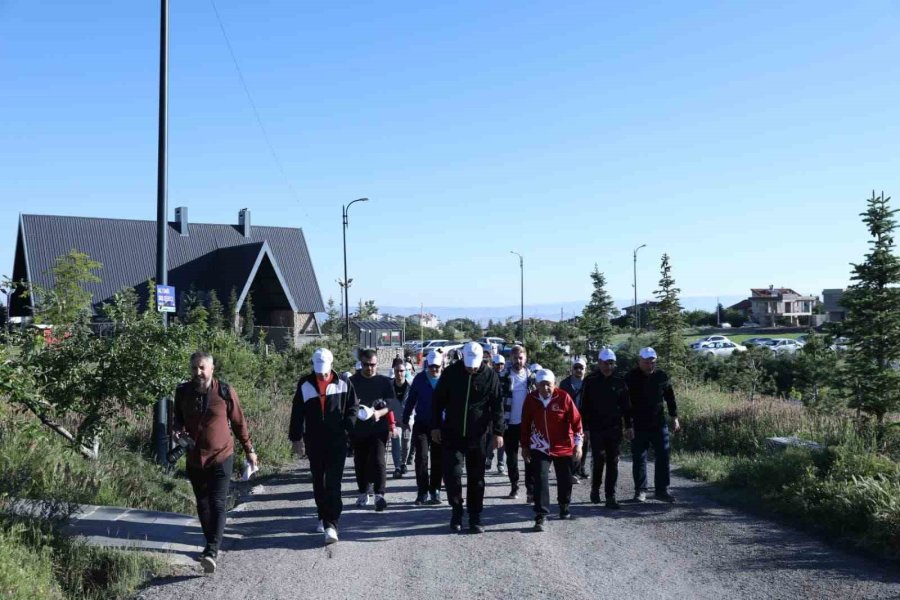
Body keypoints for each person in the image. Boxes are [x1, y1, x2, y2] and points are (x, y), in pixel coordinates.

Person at [172, 351, 258, 573]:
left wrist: (249, 450)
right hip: (194, 458)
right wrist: (177, 433)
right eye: (194, 368)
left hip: (222, 455)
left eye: (201, 368)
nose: (197, 372)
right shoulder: (182, 392)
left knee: (218, 502)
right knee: (202, 503)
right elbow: (177, 421)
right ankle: (211, 543)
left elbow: (239, 423)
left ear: (211, 369)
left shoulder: (225, 392)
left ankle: (211, 550)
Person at [432, 341, 504, 533]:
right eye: (468, 365)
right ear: (463, 358)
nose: (471, 369)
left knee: (476, 478)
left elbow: (497, 405)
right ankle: (456, 511)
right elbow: (438, 401)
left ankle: (475, 517)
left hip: (478, 435)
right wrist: (436, 427)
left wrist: (498, 432)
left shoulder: (490, 376)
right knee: (452, 475)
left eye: (475, 365)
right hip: (452, 433)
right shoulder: (451, 373)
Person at [289, 348, 358, 545]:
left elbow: (353, 407)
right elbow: (297, 412)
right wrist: (296, 439)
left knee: (333, 483)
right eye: (319, 371)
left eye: (325, 371)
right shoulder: (305, 384)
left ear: (331, 366)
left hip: (337, 440)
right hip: (314, 440)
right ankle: (322, 515)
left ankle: (332, 524)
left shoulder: (344, 383)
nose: (322, 374)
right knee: (319, 481)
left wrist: (349, 426)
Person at [520, 369, 583, 531]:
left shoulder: (563, 397)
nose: (546, 388)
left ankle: (564, 504)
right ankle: (541, 514)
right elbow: (525, 424)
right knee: (540, 477)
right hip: (540, 445)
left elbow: (577, 422)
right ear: (536, 386)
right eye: (543, 385)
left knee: (564, 477)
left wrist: (579, 444)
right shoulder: (531, 399)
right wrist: (525, 446)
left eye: (549, 384)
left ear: (554, 384)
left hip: (563, 445)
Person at [626, 347, 680, 503]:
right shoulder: (630, 377)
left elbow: (670, 398)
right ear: (639, 361)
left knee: (663, 456)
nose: (650, 365)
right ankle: (640, 491)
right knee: (639, 458)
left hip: (658, 423)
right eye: (646, 362)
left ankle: (662, 490)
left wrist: (674, 417)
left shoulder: (661, 376)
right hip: (638, 424)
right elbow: (625, 403)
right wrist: (627, 425)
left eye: (652, 362)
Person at [580, 348, 632, 508]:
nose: (608, 366)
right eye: (605, 363)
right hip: (595, 428)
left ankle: (611, 496)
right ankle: (595, 489)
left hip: (615, 428)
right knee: (599, 460)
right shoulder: (590, 380)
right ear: (599, 363)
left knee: (613, 461)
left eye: (611, 363)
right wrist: (585, 428)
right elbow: (584, 406)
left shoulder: (620, 380)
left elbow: (627, 406)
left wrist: (629, 426)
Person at [350, 349, 395, 512]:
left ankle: (380, 495)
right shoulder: (352, 381)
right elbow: (346, 405)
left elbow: (391, 404)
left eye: (373, 365)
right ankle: (363, 492)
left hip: (378, 427)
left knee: (378, 459)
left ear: (377, 364)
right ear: (361, 364)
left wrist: (379, 413)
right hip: (359, 429)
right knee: (360, 461)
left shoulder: (384, 382)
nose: (369, 368)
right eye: (366, 365)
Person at [402, 350, 444, 505]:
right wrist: (405, 418)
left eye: (437, 367)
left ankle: (435, 490)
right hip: (422, 423)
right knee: (421, 458)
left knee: (437, 459)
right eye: (431, 367)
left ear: (442, 365)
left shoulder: (446, 379)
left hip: (440, 425)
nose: (434, 370)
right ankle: (422, 491)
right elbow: (411, 400)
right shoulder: (420, 379)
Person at [499, 345, 536, 501]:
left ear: (525, 358)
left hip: (528, 425)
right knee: (511, 458)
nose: (518, 361)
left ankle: (531, 490)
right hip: (509, 424)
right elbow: (498, 402)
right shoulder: (503, 376)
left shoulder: (532, 377)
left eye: (520, 358)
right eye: (515, 358)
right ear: (510, 359)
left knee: (529, 457)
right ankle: (514, 486)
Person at [559, 357, 590, 481]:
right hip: (569, 418)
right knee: (573, 444)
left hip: (585, 417)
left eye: (581, 368)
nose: (578, 370)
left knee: (585, 444)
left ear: (585, 369)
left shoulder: (589, 383)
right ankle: (573, 471)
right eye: (576, 367)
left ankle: (580, 469)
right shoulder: (565, 383)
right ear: (572, 369)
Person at [481, 343, 505, 474]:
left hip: (501, 412)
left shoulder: (507, 377)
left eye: (501, 364)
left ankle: (500, 463)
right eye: (497, 364)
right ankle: (488, 457)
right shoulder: (487, 375)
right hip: (488, 413)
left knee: (500, 437)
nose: (499, 367)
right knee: (489, 439)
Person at [390, 358, 411, 478]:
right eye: (397, 371)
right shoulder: (389, 386)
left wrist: (410, 418)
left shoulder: (410, 386)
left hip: (407, 421)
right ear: (394, 371)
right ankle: (397, 466)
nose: (399, 373)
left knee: (406, 441)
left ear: (405, 371)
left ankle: (403, 463)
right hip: (394, 420)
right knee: (395, 441)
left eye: (402, 371)